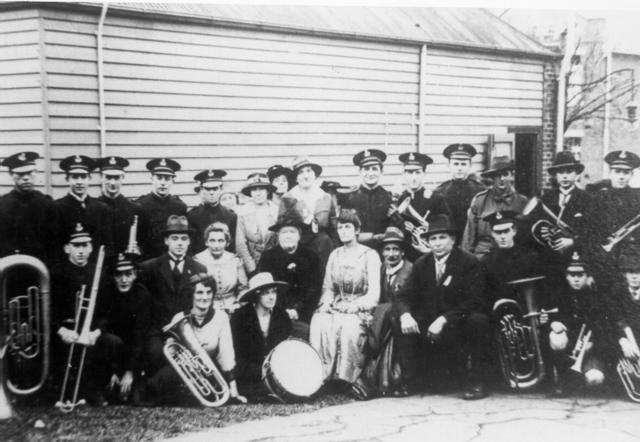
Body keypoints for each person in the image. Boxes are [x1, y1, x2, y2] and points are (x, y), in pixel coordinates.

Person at [396, 214, 491, 400]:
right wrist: (405, 315)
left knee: (478, 320)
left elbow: (476, 300)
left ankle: (477, 382)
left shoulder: (469, 262)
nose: (437, 243)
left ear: (453, 240)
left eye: (442, 238)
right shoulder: (422, 264)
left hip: (457, 324)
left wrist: (444, 319)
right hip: (431, 326)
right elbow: (403, 295)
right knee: (399, 316)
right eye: (433, 239)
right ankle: (410, 381)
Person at [143, 273, 246, 405]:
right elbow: (172, 352)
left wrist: (233, 390)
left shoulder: (221, 317)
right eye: (200, 292)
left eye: (209, 292)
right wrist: (171, 343)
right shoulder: (179, 318)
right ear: (191, 295)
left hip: (210, 371)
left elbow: (226, 354)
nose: (205, 297)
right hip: (185, 371)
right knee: (159, 383)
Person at [310, 209, 381, 392]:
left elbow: (374, 293)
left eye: (348, 227)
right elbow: (328, 288)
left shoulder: (369, 255)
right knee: (319, 321)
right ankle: (322, 377)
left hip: (360, 308)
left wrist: (356, 306)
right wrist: (326, 303)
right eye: (340, 228)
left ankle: (347, 379)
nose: (343, 231)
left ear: (357, 230)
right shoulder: (335, 255)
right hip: (337, 305)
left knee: (349, 326)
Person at [49, 223, 112, 405]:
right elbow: (49, 310)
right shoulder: (56, 272)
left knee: (109, 343)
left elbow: (107, 311)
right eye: (76, 246)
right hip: (64, 330)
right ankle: (62, 393)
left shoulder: (100, 273)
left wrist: (96, 333)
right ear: (67, 248)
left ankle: (93, 391)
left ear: (91, 248)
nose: (81, 251)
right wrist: (62, 331)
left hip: (90, 330)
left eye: (85, 245)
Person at [138, 215, 208, 375]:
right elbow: (146, 306)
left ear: (189, 242)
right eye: (174, 238)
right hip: (157, 329)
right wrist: (167, 333)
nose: (180, 243)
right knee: (155, 353)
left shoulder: (199, 269)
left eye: (184, 238)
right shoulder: (149, 267)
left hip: (188, 329)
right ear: (166, 241)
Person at [356, 226, 414, 398]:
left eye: (396, 249)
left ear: (403, 252)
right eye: (387, 249)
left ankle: (400, 380)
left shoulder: (411, 270)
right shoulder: (381, 269)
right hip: (383, 319)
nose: (391, 254)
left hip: (403, 318)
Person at [547, 252, 612, 397]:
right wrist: (554, 323)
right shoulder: (561, 295)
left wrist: (593, 344)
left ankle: (582, 379)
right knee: (556, 338)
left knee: (595, 379)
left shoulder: (597, 297)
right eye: (572, 275)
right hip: (569, 347)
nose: (576, 279)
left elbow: (605, 328)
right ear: (566, 276)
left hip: (592, 350)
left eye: (580, 275)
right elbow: (552, 317)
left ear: (587, 276)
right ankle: (562, 381)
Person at [258, 209, 322, 340]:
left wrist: (298, 310)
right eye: (284, 232)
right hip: (274, 311)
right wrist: (282, 311)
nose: (288, 236)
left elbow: (314, 289)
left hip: (305, 312)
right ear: (278, 236)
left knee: (308, 333)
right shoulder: (267, 257)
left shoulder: (311, 257)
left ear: (299, 236)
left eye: (292, 232)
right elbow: (265, 290)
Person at [231, 272, 292, 401]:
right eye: (266, 293)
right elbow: (238, 356)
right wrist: (260, 370)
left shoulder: (282, 316)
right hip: (250, 373)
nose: (271, 297)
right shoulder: (240, 317)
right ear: (256, 295)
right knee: (256, 392)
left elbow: (286, 349)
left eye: (273, 292)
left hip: (278, 371)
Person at [102, 253, 152, 404]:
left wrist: (130, 372)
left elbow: (140, 336)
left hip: (134, 352)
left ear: (135, 275)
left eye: (128, 274)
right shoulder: (107, 294)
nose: (123, 280)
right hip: (112, 352)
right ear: (113, 276)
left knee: (135, 399)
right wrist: (112, 371)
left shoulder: (143, 295)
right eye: (119, 275)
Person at [279, 156, 337, 274]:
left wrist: (336, 250)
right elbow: (280, 228)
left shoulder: (325, 197)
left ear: (314, 175)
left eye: (309, 171)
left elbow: (333, 227)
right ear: (296, 178)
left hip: (323, 247)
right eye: (301, 172)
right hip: (299, 247)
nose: (306, 175)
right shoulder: (288, 198)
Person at [462, 156, 528, 257]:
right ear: (492, 177)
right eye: (497, 175)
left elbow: (525, 239)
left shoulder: (522, 202)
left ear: (511, 176)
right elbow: (469, 237)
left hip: (511, 255)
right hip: (483, 254)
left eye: (505, 174)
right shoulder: (480, 201)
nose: (501, 179)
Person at [0, 151, 58, 265]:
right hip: (9, 269)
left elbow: (55, 243)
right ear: (11, 174)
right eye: (20, 174)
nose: (26, 178)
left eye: (30, 173)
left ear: (36, 172)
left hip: (41, 268)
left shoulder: (47, 204)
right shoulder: (2, 205)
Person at [54, 155, 113, 262]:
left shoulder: (101, 208)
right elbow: (55, 247)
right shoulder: (57, 208)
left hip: (96, 271)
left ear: (89, 179)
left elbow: (107, 245)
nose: (79, 182)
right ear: (67, 179)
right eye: (75, 177)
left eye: (83, 176)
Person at [393, 151, 452, 257]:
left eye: (418, 172)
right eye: (409, 173)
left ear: (424, 173)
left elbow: (446, 232)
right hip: (405, 256)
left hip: (430, 255)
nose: (413, 177)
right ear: (404, 174)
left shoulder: (436, 198)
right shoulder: (400, 199)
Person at [589, 150, 640, 269]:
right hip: (602, 259)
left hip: (631, 262)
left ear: (632, 174)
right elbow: (590, 231)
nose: (621, 177)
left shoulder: (638, 198)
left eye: (626, 172)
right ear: (610, 173)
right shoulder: (597, 198)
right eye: (617, 172)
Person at [96, 156, 150, 261]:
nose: (112, 183)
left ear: (123, 178)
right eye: (108, 177)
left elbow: (145, 243)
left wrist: (139, 250)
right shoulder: (94, 208)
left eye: (116, 178)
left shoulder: (135, 209)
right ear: (101, 178)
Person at [136, 158, 187, 259]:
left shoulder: (179, 206)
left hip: (172, 260)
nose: (163, 183)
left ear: (173, 181)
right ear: (152, 179)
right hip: (148, 260)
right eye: (159, 178)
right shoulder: (140, 205)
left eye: (167, 179)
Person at [432, 143, 485, 242]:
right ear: (448, 165)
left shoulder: (480, 191)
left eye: (463, 164)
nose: (459, 168)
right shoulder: (440, 192)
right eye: (456, 164)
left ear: (470, 165)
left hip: (474, 242)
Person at [341, 149, 392, 248]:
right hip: (356, 248)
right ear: (359, 172)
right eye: (366, 169)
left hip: (383, 248)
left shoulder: (389, 197)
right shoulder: (349, 198)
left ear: (382, 172)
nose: (370, 173)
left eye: (374, 169)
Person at [194, 222, 248, 314]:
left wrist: (238, 304)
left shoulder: (235, 260)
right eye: (212, 240)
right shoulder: (197, 260)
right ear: (206, 242)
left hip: (232, 307)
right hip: (207, 308)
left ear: (227, 243)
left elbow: (243, 288)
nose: (216, 245)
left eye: (221, 241)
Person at [235, 173, 279, 276]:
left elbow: (278, 240)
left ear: (267, 191)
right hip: (252, 261)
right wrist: (251, 269)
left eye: (262, 189)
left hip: (273, 262)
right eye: (254, 190)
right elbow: (240, 244)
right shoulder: (243, 212)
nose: (258, 193)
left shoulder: (275, 210)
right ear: (250, 192)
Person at [187, 169, 237, 254]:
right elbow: (190, 247)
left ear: (221, 189)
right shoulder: (192, 216)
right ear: (202, 190)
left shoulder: (231, 216)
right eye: (208, 189)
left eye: (215, 188)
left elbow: (232, 247)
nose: (212, 193)